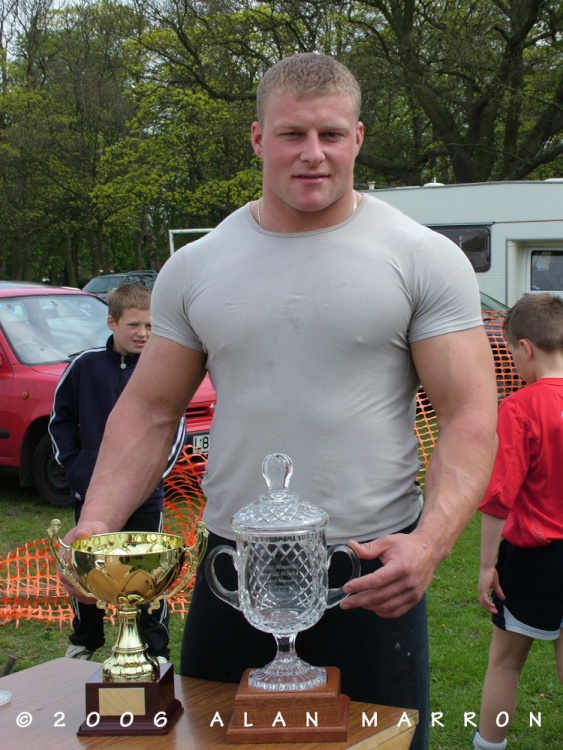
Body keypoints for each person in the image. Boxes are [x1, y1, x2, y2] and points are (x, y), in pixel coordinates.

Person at [61, 53, 497, 749]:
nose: (312, 153)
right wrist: (96, 525)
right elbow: (149, 410)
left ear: (357, 137)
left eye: (331, 134)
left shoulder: (422, 257)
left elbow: (469, 416)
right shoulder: (197, 265)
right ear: (258, 138)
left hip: (370, 574)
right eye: (293, 134)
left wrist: (429, 543)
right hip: (232, 574)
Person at [49, 283, 186, 662]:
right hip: (92, 495)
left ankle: (155, 647)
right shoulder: (84, 366)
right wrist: (78, 468)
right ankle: (84, 640)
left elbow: (173, 428)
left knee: (149, 573)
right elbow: (60, 420)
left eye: (150, 326)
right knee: (87, 569)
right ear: (112, 323)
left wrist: (151, 477)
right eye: (134, 325)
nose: (143, 333)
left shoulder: (162, 370)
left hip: (146, 499)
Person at [473, 294, 563, 750]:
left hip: (533, 560)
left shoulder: (520, 407)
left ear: (525, 349)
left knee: (506, 663)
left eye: (509, 353)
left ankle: (488, 745)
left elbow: (498, 498)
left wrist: (487, 565)